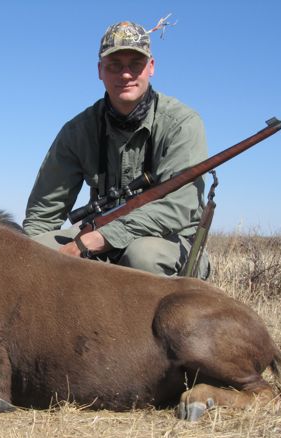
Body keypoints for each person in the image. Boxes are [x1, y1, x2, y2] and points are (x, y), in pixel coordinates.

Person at [23, 20, 210, 278]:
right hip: (97, 235)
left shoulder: (182, 124)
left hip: (167, 240)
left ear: (151, 67)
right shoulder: (77, 131)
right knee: (29, 251)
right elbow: (42, 217)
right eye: (114, 66)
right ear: (100, 70)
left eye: (135, 64)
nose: (125, 74)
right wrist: (29, 260)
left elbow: (178, 207)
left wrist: (95, 240)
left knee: (142, 257)